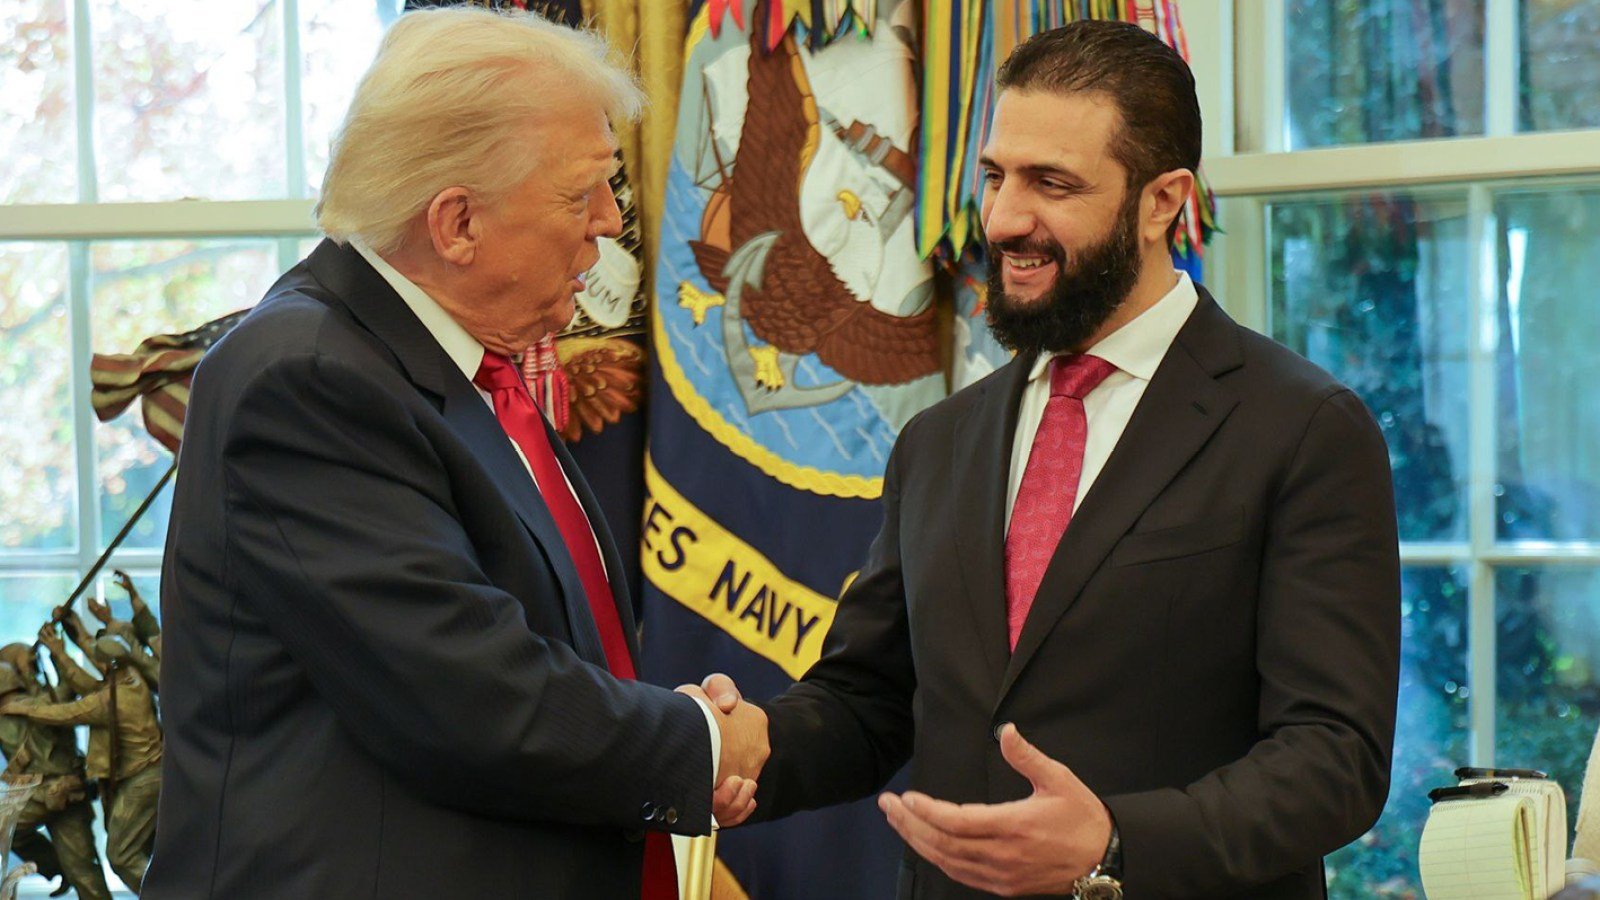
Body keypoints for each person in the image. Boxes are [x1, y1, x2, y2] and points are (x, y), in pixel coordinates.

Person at [709, 20, 1401, 900]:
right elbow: (872, 700)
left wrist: (1112, 843)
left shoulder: (1304, 429)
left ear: (1163, 201)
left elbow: (1334, 757)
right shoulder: (939, 441)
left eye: (1051, 184)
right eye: (995, 176)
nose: (1001, 220)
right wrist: (748, 747)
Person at [141, 8, 765, 899]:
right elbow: (470, 698)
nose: (608, 220)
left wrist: (670, 742)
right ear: (457, 223)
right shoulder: (305, 378)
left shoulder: (459, 365)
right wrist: (697, 743)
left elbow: (547, 646)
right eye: (580, 192)